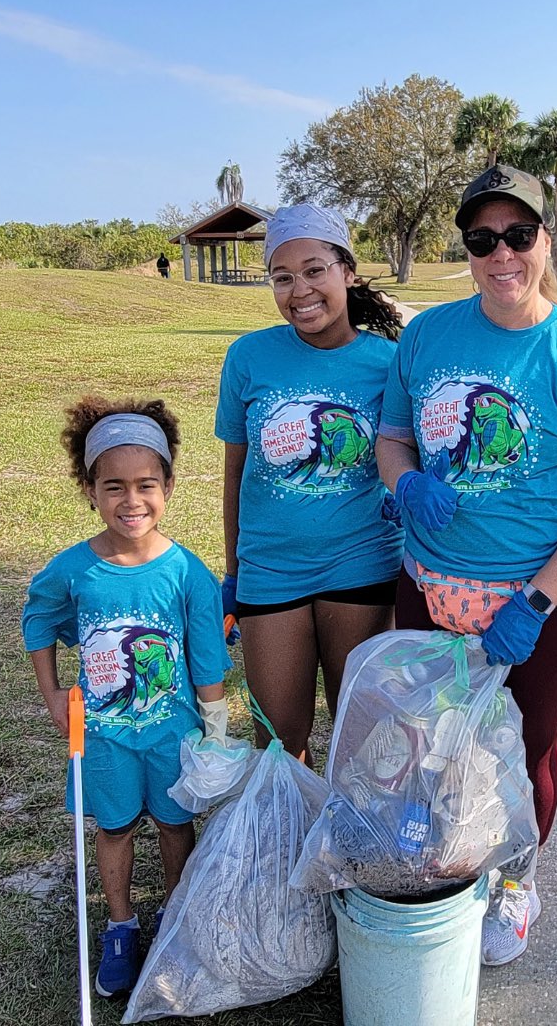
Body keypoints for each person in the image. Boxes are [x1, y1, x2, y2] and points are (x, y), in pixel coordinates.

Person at [375, 164, 557, 966]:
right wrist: (405, 482)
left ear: (545, 239)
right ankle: (449, 852)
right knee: (431, 736)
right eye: (482, 239)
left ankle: (518, 879)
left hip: (542, 603)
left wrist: (537, 601)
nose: (501, 254)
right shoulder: (427, 336)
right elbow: (393, 438)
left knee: (525, 745)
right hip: (430, 587)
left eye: (518, 235)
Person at [22, 397, 230, 998]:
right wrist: (52, 692)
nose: (131, 500)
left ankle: (175, 914)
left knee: (174, 824)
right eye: (113, 486)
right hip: (105, 737)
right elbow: (38, 620)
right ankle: (120, 925)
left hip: (172, 732)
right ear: (90, 490)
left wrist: (215, 728)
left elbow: (207, 656)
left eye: (146, 485)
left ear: (168, 486)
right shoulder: (73, 570)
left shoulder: (188, 572)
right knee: (113, 828)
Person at [216, 203, 404, 765]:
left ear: (347, 271)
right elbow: (235, 473)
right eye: (282, 277)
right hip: (270, 570)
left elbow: (410, 458)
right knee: (277, 746)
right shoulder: (249, 357)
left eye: (315, 270)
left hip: (363, 564)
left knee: (362, 739)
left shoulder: (390, 363)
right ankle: (291, 826)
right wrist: (233, 571)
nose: (299, 291)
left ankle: (349, 826)